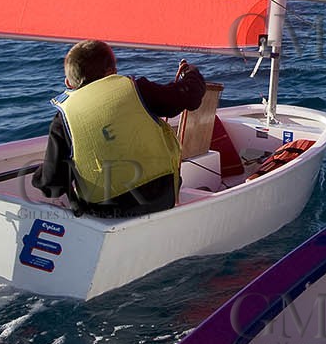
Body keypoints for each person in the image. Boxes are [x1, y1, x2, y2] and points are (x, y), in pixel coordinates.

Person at [33, 39, 207, 218]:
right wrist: (191, 73)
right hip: (161, 199)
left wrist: (40, 176)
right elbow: (191, 95)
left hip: (105, 212)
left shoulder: (63, 120)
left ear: (68, 83)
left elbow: (52, 186)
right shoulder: (139, 90)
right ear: (112, 72)